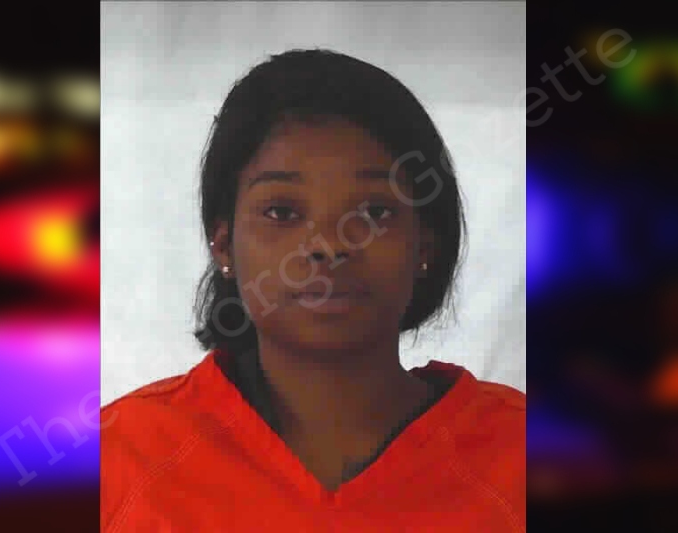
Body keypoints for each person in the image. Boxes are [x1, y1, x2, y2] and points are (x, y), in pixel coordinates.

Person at [101, 48, 525, 532]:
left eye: (374, 212)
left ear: (424, 245)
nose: (328, 244)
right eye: (281, 212)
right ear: (223, 245)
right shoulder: (116, 459)